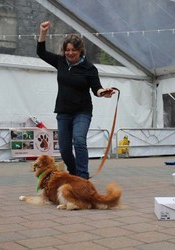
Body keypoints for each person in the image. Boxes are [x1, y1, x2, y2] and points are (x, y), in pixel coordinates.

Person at [37, 21, 115, 179]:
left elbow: (96, 88)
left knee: (79, 140)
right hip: (63, 112)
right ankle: (73, 174)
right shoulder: (60, 62)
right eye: (67, 50)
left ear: (80, 50)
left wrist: (103, 92)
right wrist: (43, 32)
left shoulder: (89, 68)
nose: (70, 53)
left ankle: (83, 177)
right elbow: (41, 52)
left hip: (82, 112)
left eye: (73, 50)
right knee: (65, 150)